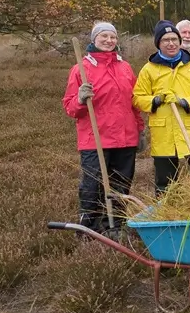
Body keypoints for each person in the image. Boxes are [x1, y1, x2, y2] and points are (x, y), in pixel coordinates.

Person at [62, 22, 144, 231]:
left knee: (121, 185)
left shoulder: (124, 67)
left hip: (126, 137)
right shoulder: (81, 68)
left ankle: (115, 225)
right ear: (94, 39)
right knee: (93, 186)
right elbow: (70, 108)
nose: (109, 41)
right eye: (104, 36)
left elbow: (134, 102)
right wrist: (80, 99)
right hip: (95, 138)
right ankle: (90, 228)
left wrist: (140, 129)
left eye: (112, 37)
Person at [133, 20, 190, 196]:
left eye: (174, 39)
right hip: (164, 134)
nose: (171, 43)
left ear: (180, 41)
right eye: (165, 40)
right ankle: (166, 218)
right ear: (158, 43)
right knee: (165, 185)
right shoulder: (149, 70)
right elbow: (137, 98)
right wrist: (155, 100)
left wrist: (184, 102)